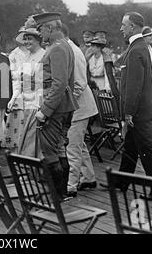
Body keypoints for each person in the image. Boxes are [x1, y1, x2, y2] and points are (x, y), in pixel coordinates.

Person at [116, 11, 152, 200]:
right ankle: (121, 182)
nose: (121, 28)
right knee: (130, 146)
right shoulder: (138, 46)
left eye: (124, 25)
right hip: (141, 110)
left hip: (139, 112)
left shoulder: (136, 49)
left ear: (133, 27)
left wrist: (128, 113)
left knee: (147, 148)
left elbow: (134, 86)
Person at [31, 12, 78, 200]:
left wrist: (45, 110)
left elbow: (59, 83)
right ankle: (61, 192)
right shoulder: (62, 45)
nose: (39, 33)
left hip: (56, 107)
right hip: (63, 105)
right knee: (58, 149)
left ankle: (56, 196)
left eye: (41, 29)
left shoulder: (57, 48)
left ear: (50, 28)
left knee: (50, 150)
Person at [62, 24, 98, 198]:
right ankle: (89, 177)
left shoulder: (73, 52)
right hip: (79, 106)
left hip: (78, 107)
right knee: (78, 144)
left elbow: (79, 83)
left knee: (73, 146)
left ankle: (70, 186)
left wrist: (64, 105)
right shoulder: (67, 48)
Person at [5, 27, 45, 157]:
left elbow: (43, 83)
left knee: (32, 139)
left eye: (30, 39)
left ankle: (30, 170)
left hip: (37, 104)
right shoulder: (26, 56)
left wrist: (41, 106)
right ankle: (24, 169)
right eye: (25, 39)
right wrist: (14, 98)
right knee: (23, 137)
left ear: (38, 40)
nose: (27, 42)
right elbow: (19, 80)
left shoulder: (43, 55)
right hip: (26, 103)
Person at [1, 27, 29, 151]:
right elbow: (11, 72)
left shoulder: (34, 52)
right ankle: (15, 147)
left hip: (30, 89)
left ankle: (25, 147)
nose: (26, 40)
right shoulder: (14, 54)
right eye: (24, 37)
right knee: (17, 119)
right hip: (18, 87)